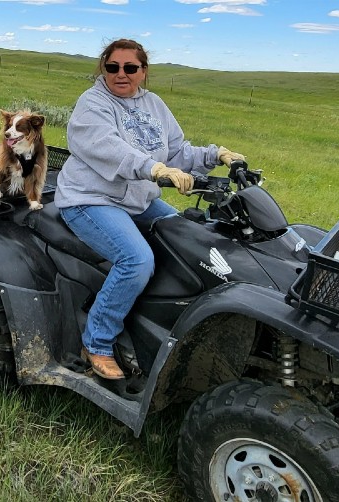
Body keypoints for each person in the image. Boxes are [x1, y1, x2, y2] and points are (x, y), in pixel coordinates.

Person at [54, 38, 246, 380]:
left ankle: (159, 322)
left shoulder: (154, 105)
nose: (121, 74)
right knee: (136, 260)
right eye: (112, 67)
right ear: (104, 69)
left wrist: (215, 155)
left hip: (137, 198)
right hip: (91, 198)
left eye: (130, 67)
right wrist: (154, 169)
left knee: (189, 241)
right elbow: (108, 149)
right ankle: (97, 341)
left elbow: (177, 152)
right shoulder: (93, 104)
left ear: (143, 71)